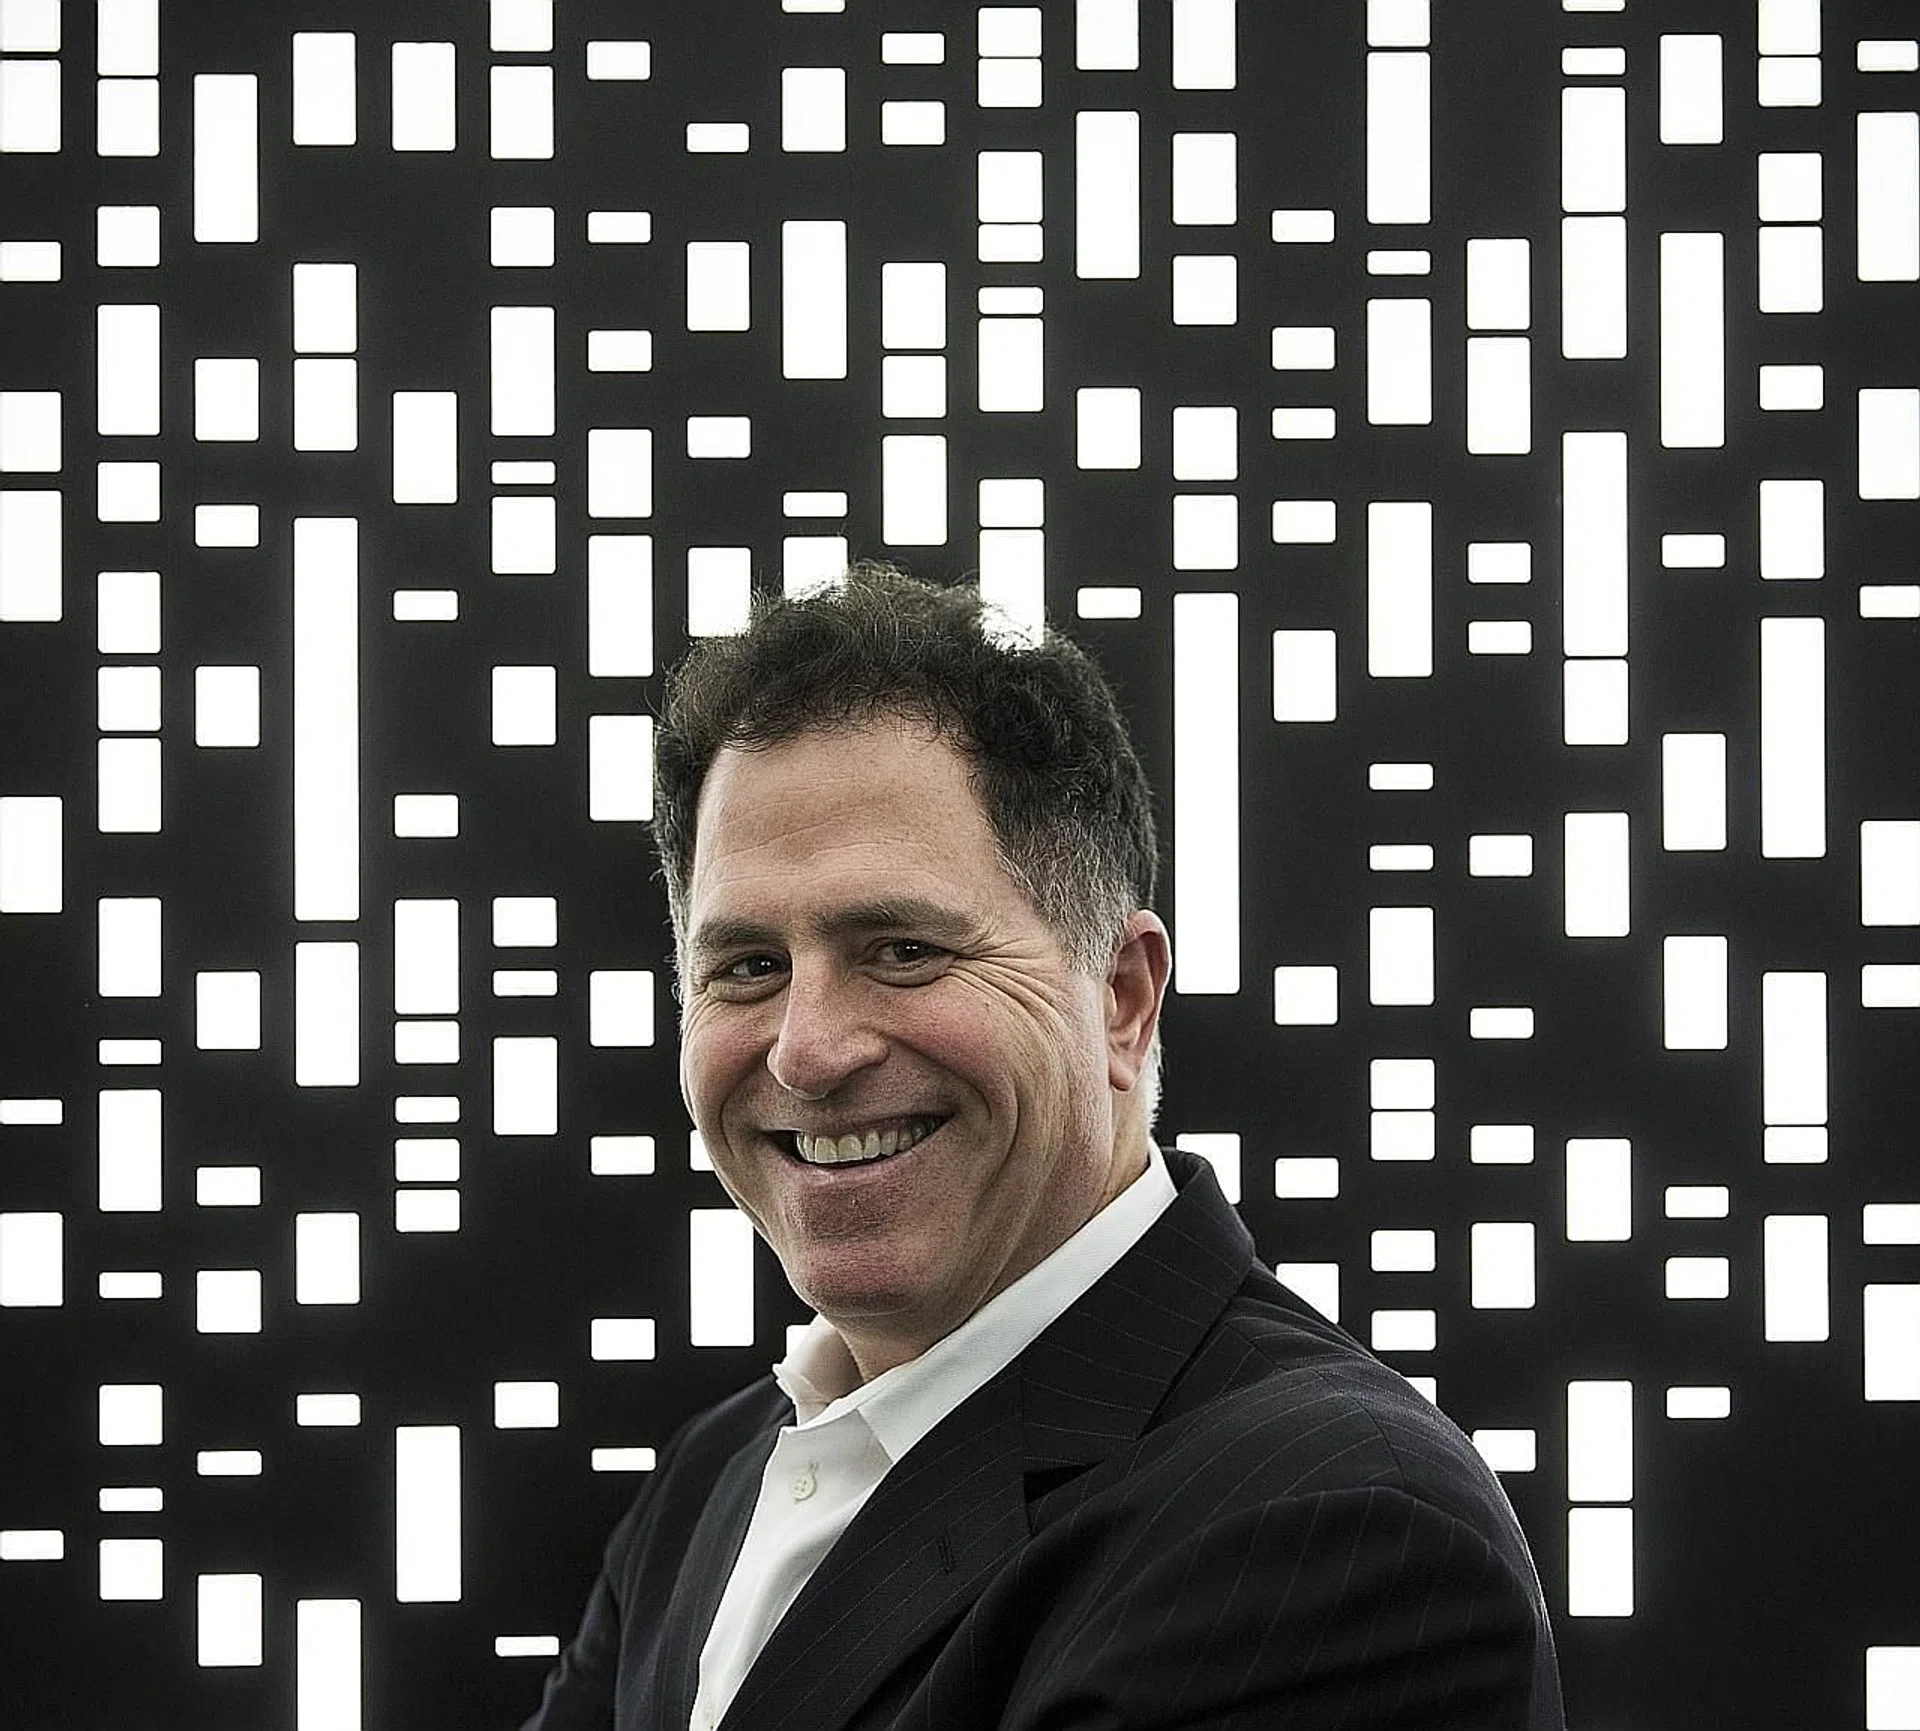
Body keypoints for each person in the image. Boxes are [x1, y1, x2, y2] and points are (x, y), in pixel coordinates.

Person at [524, 564, 1565, 1730]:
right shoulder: (711, 1484)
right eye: (748, 967)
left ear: (1122, 998)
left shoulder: (1336, 1527)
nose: (807, 1052)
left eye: (903, 950)